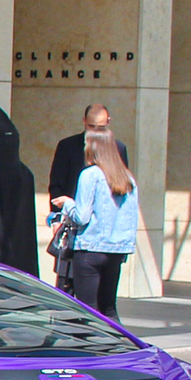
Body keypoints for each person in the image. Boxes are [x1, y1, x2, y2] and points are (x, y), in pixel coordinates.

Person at [47, 104, 132, 289]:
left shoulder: (118, 148)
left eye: (101, 128)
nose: (95, 133)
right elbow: (57, 183)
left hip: (103, 231)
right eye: (92, 127)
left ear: (109, 123)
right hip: (74, 224)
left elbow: (121, 190)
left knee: (103, 299)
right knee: (66, 286)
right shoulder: (68, 146)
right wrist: (56, 218)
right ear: (84, 122)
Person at [58, 127, 139, 317]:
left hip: (89, 249)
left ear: (93, 147)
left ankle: (92, 346)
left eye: (86, 144)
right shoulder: (128, 178)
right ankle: (123, 345)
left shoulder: (90, 174)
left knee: (88, 310)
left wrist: (68, 204)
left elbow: (82, 217)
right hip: (116, 250)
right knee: (109, 308)